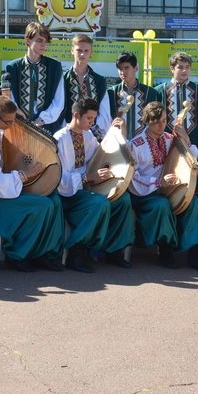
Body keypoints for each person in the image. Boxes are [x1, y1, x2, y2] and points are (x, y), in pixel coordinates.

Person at [0, 96, 65, 271]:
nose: (11, 125)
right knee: (42, 205)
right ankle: (17, 254)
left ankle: (44, 253)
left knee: (55, 201)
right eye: (8, 121)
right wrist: (25, 174)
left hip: (5, 189)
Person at [128, 101, 198, 272]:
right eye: (156, 121)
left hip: (168, 189)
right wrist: (158, 182)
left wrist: (185, 139)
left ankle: (195, 254)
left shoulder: (169, 139)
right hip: (145, 194)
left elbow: (191, 158)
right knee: (162, 205)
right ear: (147, 121)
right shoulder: (136, 144)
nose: (161, 125)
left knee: (192, 202)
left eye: (165, 120)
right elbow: (133, 177)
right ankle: (165, 250)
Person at [53, 98, 135, 271]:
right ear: (76, 115)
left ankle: (113, 249)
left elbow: (100, 157)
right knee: (99, 203)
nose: (92, 123)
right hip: (68, 194)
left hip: (86, 189)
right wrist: (87, 178)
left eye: (94, 119)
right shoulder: (60, 139)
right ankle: (77, 251)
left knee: (123, 199)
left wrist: (120, 134)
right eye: (89, 119)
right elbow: (60, 178)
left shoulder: (88, 136)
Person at [2, 21, 65, 134]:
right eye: (39, 40)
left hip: (47, 128)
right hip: (19, 127)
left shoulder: (55, 67)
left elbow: (59, 100)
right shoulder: (13, 67)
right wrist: (19, 115)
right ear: (28, 40)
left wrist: (41, 120)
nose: (43, 45)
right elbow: (9, 98)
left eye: (46, 41)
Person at [97, 51, 160, 140]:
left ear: (136, 68)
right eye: (120, 68)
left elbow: (156, 121)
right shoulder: (110, 93)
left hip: (144, 146)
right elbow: (104, 122)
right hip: (118, 145)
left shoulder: (151, 93)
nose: (122, 72)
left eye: (126, 68)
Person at [155, 52, 198, 150]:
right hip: (166, 142)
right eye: (180, 67)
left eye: (187, 67)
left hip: (193, 142)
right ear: (172, 69)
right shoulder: (159, 91)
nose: (184, 70)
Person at [61, 34, 107, 140]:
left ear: (91, 53)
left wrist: (97, 133)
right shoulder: (62, 79)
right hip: (68, 134)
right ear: (72, 50)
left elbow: (104, 111)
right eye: (79, 50)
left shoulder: (99, 80)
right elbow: (60, 108)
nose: (82, 54)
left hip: (93, 136)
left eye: (86, 50)